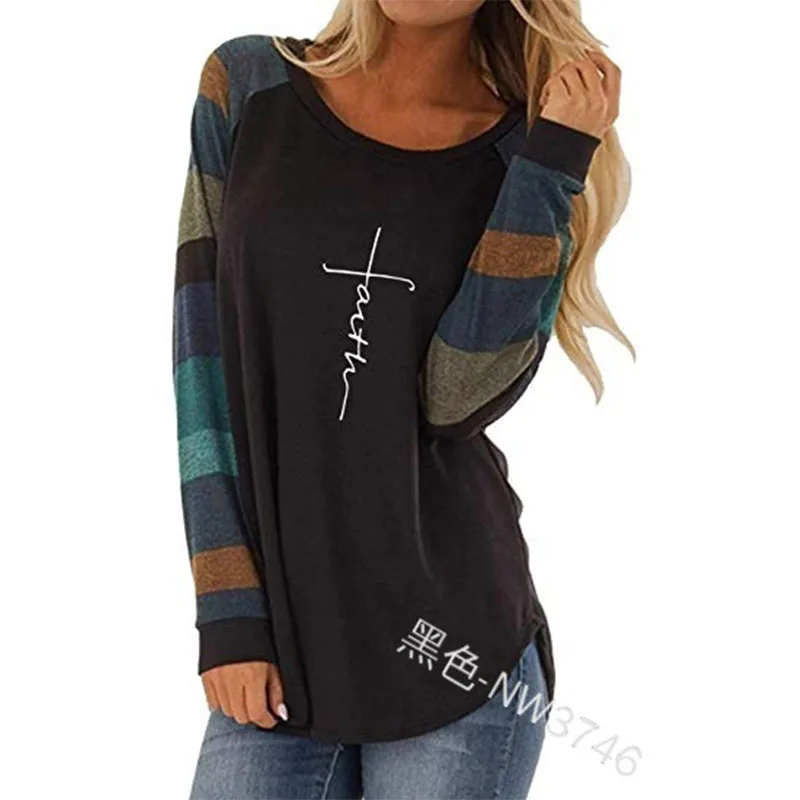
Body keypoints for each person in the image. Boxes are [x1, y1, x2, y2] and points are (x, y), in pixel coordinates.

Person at [172, 1, 628, 797]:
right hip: (279, 638)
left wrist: (553, 162)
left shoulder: (521, 154)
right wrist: (229, 612)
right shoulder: (248, 85)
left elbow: (456, 398)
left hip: (451, 647)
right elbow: (200, 363)